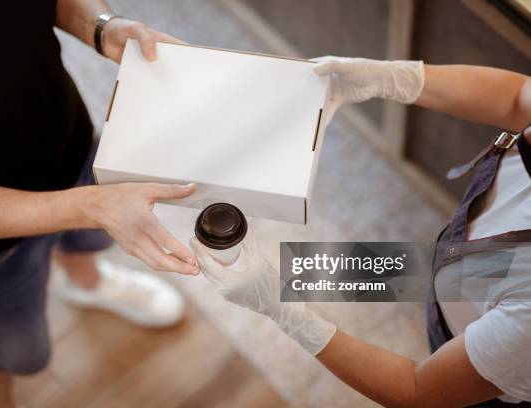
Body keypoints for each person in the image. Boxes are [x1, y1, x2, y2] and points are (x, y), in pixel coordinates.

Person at [191, 59, 531, 407]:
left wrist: (285, 312)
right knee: (315, 271)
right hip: (470, 268)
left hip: (482, 376)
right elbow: (519, 98)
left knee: (291, 280)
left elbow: (417, 388)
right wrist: (395, 78)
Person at [0, 1, 200, 407]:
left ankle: (87, 284)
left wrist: (105, 27)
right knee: (7, 352)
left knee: (84, 245)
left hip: (67, 138)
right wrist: (93, 206)